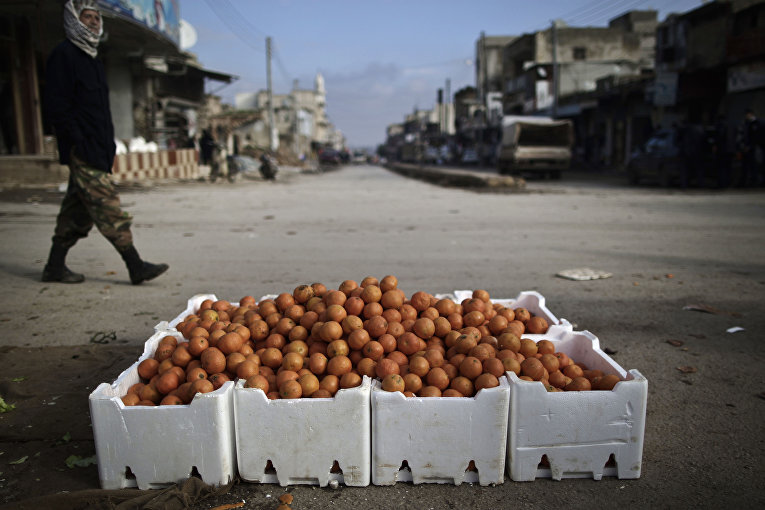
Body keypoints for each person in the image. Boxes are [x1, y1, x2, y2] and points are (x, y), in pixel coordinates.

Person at [42, 0, 168, 284]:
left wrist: (106, 146)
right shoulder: (65, 55)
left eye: (97, 18)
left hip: (98, 148)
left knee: (78, 211)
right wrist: (78, 141)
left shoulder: (93, 59)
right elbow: (57, 106)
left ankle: (53, 266)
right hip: (83, 150)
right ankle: (135, 265)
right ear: (74, 20)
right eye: (87, 17)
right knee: (107, 206)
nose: (94, 22)